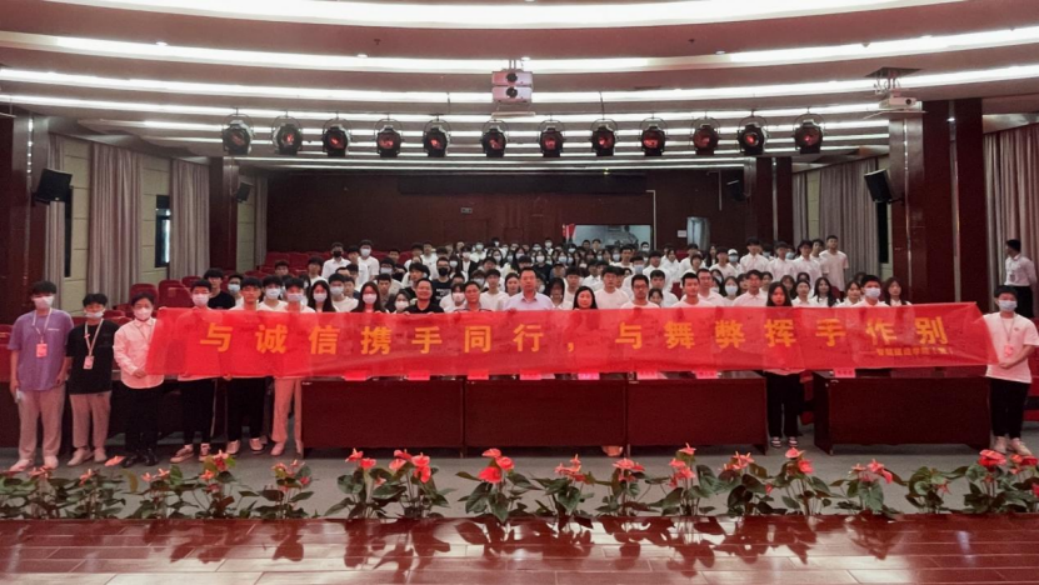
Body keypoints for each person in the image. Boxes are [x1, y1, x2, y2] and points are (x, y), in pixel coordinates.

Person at [8, 281, 74, 472]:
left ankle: (50, 454)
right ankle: (25, 457)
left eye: (47, 295)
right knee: (27, 422)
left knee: (52, 420)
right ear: (32, 298)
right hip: (26, 378)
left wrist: (63, 371)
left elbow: (69, 349)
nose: (43, 299)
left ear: (54, 296)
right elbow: (15, 350)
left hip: (53, 378)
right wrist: (13, 378)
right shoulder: (23, 321)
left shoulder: (63, 318)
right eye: (38, 296)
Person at [63, 293, 118, 466]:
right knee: (79, 417)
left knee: (101, 417)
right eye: (90, 307)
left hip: (101, 380)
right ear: (84, 309)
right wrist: (62, 373)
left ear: (104, 308)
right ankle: (81, 448)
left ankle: (99, 447)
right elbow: (69, 356)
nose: (94, 309)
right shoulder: (75, 332)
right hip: (78, 380)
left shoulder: (112, 328)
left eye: (98, 306)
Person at [984, 286, 1039, 455]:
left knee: (1016, 407)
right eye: (1004, 299)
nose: (1008, 302)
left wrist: (1013, 361)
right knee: (997, 406)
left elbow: (1030, 346)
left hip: (1019, 373)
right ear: (996, 300)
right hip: (995, 371)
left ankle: (1015, 439)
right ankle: (1000, 439)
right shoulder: (987, 320)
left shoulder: (1025, 323)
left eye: (1011, 299)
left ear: (1016, 302)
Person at [170, 281, 220, 464]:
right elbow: (177, 345)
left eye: (204, 292)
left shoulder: (217, 317)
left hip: (208, 371)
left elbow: (222, 344)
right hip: (187, 372)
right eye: (196, 292)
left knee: (206, 409)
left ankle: (206, 444)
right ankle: (188, 444)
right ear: (191, 295)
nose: (200, 295)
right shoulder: (183, 318)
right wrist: (180, 366)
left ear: (210, 294)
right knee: (188, 410)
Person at [115, 291, 164, 468]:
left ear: (153, 308)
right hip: (132, 380)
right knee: (132, 417)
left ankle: (150, 449)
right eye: (138, 306)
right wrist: (133, 369)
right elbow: (119, 353)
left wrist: (157, 364)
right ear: (132, 309)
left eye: (146, 306)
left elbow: (167, 348)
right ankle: (132, 451)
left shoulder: (161, 327)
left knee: (152, 417)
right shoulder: (124, 330)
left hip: (154, 379)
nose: (143, 310)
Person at [270, 278, 315, 458]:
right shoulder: (277, 314)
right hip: (284, 364)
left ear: (303, 293)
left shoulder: (310, 312)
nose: (294, 294)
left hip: (304, 363)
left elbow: (315, 338)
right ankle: (279, 439)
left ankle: (300, 438)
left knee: (302, 405)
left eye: (298, 290)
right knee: (281, 404)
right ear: (285, 293)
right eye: (291, 291)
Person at [226, 278, 269, 455]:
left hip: (258, 367)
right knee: (234, 406)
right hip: (236, 367)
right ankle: (233, 439)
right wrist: (226, 366)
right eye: (247, 289)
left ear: (260, 292)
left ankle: (255, 436)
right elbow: (225, 342)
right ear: (241, 292)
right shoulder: (232, 313)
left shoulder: (266, 313)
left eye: (254, 289)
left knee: (256, 405)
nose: (251, 293)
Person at [763, 283, 803, 448]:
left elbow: (801, 336)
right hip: (773, 365)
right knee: (774, 402)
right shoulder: (764, 315)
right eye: (775, 294)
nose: (778, 297)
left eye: (781, 294)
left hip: (792, 363)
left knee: (792, 401)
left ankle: (792, 432)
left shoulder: (794, 314)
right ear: (770, 296)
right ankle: (775, 433)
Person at [1004, 239, 1036, 319]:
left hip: (1022, 290)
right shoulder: (1007, 260)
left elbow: (1033, 278)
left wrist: (1028, 287)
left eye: (1006, 246)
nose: (1005, 249)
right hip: (1009, 288)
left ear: (1012, 248)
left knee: (1024, 313)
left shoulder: (1025, 261)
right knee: (1011, 313)